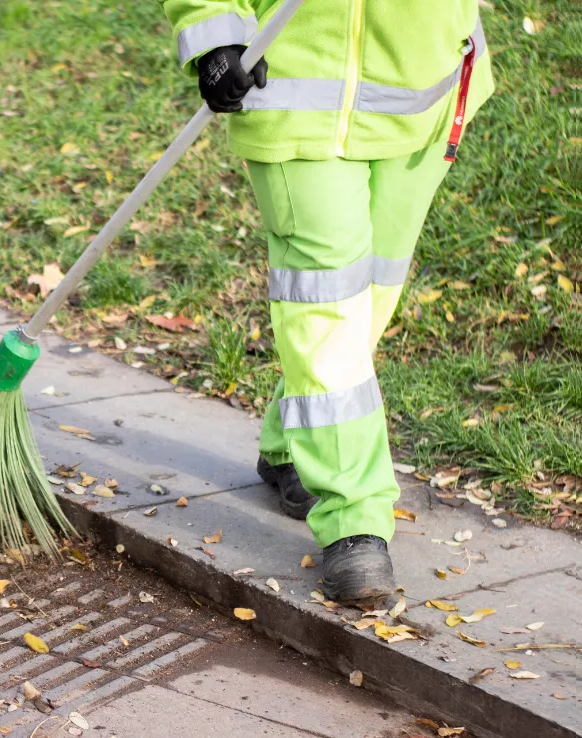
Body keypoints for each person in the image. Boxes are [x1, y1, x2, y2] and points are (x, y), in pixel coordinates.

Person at [160, 0, 493, 601]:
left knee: (370, 297)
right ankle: (355, 520)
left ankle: (291, 442)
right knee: (327, 303)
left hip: (423, 92)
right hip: (294, 96)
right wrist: (213, 35)